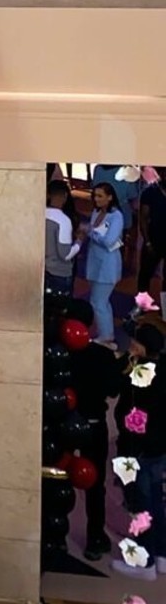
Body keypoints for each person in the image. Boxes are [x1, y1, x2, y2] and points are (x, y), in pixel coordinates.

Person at [63, 298, 123, 560]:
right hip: (94, 425)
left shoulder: (59, 356)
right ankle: (95, 539)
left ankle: (56, 536)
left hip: (63, 424)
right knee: (95, 485)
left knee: (57, 476)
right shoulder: (103, 356)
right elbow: (113, 389)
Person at [111, 321, 166, 580]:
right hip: (158, 447)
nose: (131, 344)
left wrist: (127, 360)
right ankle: (162, 554)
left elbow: (116, 387)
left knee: (139, 504)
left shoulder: (139, 374)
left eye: (135, 341)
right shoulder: (163, 368)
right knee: (156, 500)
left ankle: (144, 563)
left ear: (142, 347)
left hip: (137, 448)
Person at [81, 181, 125, 348]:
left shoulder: (117, 216)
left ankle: (106, 336)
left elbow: (109, 241)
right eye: (95, 195)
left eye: (100, 196)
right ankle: (107, 333)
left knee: (98, 302)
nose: (96, 199)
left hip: (107, 266)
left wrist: (89, 231)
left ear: (110, 197)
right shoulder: (96, 212)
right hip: (94, 262)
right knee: (102, 301)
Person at [45, 179, 77, 294]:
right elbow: (65, 254)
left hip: (43, 269)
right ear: (65, 196)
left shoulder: (40, 213)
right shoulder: (63, 220)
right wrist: (79, 242)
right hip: (59, 272)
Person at [138, 168, 166, 296]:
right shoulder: (149, 192)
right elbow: (143, 218)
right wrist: (148, 242)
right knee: (145, 274)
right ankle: (142, 304)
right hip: (153, 241)